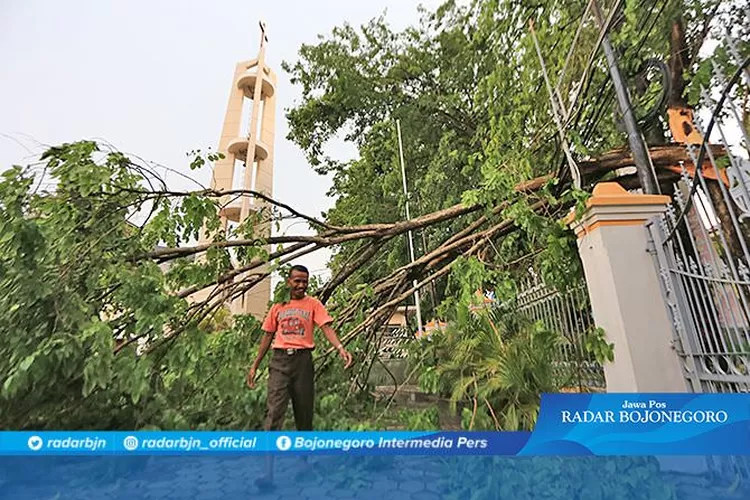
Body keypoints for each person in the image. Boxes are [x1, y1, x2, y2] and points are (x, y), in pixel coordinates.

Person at [247, 265, 352, 490]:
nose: (301, 285)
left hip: (303, 363)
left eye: (305, 281)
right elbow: (267, 336)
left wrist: (340, 348)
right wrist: (255, 364)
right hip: (279, 362)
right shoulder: (278, 305)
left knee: (304, 415)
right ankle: (268, 475)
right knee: (274, 414)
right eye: (297, 281)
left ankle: (304, 466)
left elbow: (326, 327)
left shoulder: (313, 304)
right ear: (288, 281)